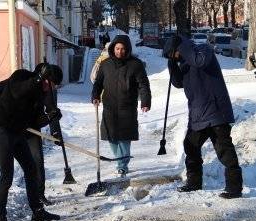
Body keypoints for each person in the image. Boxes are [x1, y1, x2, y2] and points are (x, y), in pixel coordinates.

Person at [0, 64, 62, 221]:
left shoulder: (39, 94)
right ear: (43, 77)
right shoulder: (21, 76)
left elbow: (33, 123)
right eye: (50, 84)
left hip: (17, 132)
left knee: (31, 169)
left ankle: (37, 212)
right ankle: (0, 219)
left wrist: (50, 117)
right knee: (6, 176)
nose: (50, 88)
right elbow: (18, 91)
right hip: (1, 131)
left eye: (53, 86)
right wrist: (36, 80)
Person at [163, 35, 243, 199]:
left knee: (224, 150)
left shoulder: (203, 50)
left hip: (216, 111)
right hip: (199, 115)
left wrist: (182, 46)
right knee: (190, 145)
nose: (175, 58)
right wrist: (172, 65)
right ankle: (194, 183)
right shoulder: (185, 62)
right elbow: (178, 83)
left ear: (179, 48)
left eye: (173, 54)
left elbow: (199, 62)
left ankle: (235, 188)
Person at [92, 35, 151, 176]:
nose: (120, 51)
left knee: (124, 138)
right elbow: (98, 83)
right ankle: (121, 161)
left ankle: (122, 165)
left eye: (123, 49)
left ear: (128, 49)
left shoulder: (136, 64)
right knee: (111, 137)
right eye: (117, 48)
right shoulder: (105, 64)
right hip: (109, 107)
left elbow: (143, 85)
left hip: (127, 107)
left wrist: (145, 101)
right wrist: (95, 96)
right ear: (113, 48)